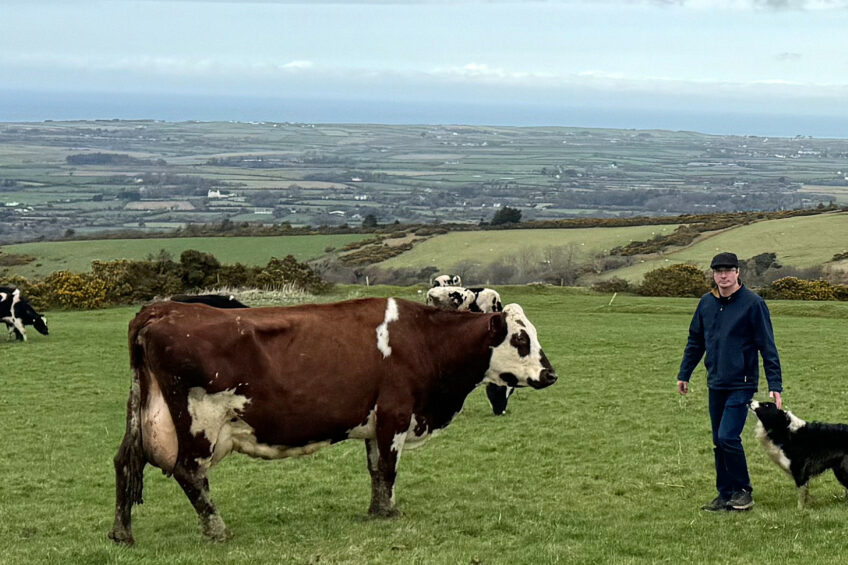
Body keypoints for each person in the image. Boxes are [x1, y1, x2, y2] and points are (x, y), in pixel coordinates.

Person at [676, 252, 783, 512]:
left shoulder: (753, 303)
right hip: (716, 382)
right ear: (713, 274)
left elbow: (767, 345)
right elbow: (695, 341)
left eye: (728, 270)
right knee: (718, 440)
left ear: (738, 273)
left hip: (742, 382)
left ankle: (743, 491)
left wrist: (774, 384)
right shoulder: (705, 303)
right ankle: (725, 494)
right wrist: (684, 373)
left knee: (728, 436)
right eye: (718, 270)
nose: (723, 275)